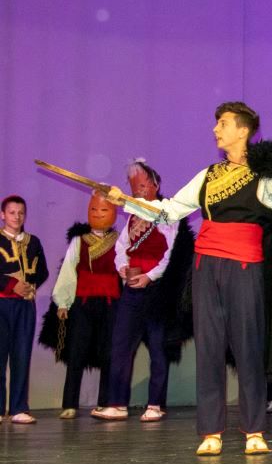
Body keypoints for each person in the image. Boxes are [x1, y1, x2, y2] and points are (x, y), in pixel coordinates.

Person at [107, 101, 272, 456]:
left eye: (223, 123)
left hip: (245, 267)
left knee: (248, 346)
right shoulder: (208, 175)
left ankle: (254, 429)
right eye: (216, 123)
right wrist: (127, 201)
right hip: (206, 267)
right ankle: (210, 431)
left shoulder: (264, 176)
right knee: (210, 347)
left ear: (243, 130)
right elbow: (170, 210)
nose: (216, 129)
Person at [94, 160, 194, 422]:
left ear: (155, 185)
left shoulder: (167, 213)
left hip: (157, 291)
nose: (136, 191)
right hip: (132, 290)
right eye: (133, 187)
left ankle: (155, 404)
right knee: (121, 345)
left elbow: (171, 254)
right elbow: (121, 247)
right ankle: (117, 403)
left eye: (141, 186)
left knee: (158, 347)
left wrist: (149, 277)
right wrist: (123, 267)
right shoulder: (132, 216)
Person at [41, 193, 121, 418]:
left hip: (111, 303)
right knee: (77, 350)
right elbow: (68, 271)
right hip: (83, 303)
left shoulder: (120, 241)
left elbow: (124, 272)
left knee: (108, 352)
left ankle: (106, 402)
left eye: (104, 210)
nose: (98, 214)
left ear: (113, 213)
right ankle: (70, 404)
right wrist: (63, 302)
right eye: (94, 210)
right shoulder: (79, 241)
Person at [0, 195, 49, 424]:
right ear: (3, 215)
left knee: (21, 355)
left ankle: (19, 408)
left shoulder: (33, 242)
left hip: (25, 305)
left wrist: (30, 286)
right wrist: (11, 285)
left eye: (21, 213)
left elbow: (43, 271)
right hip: (2, 303)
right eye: (12, 212)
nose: (17, 217)